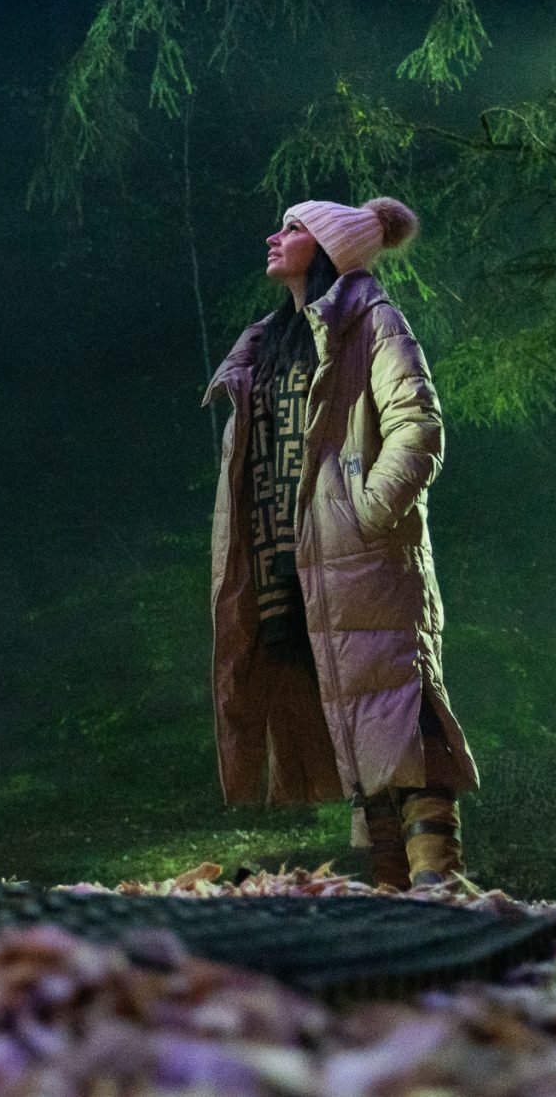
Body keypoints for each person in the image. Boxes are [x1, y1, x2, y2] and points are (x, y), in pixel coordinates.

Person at [202, 197, 477, 889]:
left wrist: (367, 511)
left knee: (400, 720)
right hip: (289, 568)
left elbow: (418, 424)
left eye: (292, 228)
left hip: (363, 559)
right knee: (352, 728)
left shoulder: (372, 319)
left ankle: (438, 883)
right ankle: (390, 891)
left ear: (327, 247)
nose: (274, 235)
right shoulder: (269, 338)